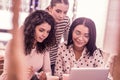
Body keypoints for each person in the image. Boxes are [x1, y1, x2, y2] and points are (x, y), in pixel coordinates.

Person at [0, 10, 56, 80]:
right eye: (41, 30)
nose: (45, 35)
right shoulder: (14, 44)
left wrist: (44, 76)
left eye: (48, 32)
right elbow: (6, 75)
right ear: (31, 28)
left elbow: (48, 72)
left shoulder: (44, 46)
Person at [46, 0, 70, 75]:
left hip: (54, 60)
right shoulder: (41, 18)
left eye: (65, 12)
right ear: (50, 8)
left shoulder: (66, 20)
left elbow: (68, 41)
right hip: (38, 60)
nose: (61, 16)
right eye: (58, 11)